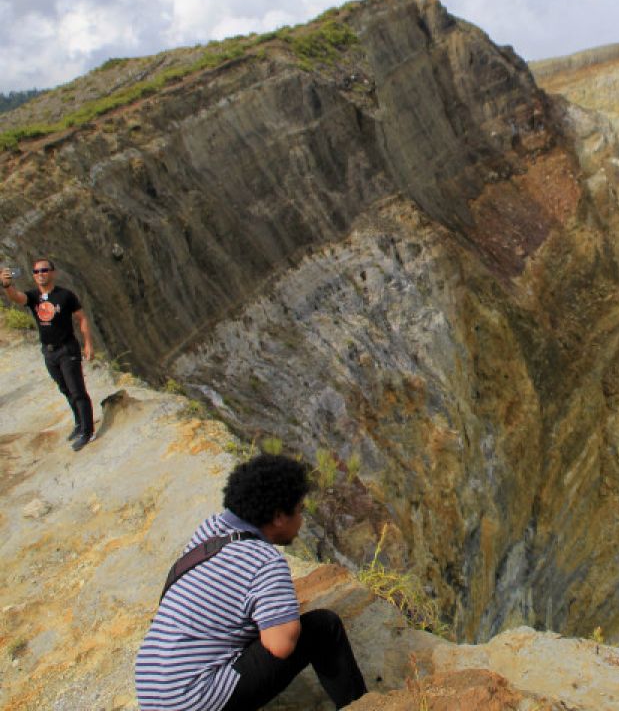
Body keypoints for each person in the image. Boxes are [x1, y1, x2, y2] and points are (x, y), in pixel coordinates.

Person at [135, 454, 367, 711]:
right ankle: (361, 705)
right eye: (299, 511)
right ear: (279, 516)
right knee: (324, 627)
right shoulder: (265, 562)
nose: (301, 521)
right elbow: (280, 646)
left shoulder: (210, 530)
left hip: (151, 689)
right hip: (192, 699)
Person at [1, 258, 96, 449]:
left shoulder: (65, 296)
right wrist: (7, 285)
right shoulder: (34, 296)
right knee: (65, 389)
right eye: (36, 272)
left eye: (44, 270)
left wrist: (88, 344)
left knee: (77, 391)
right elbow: (17, 298)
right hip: (49, 352)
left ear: (53, 273)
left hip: (67, 348)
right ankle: (79, 424)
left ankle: (88, 431)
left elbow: (82, 318)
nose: (40, 274)